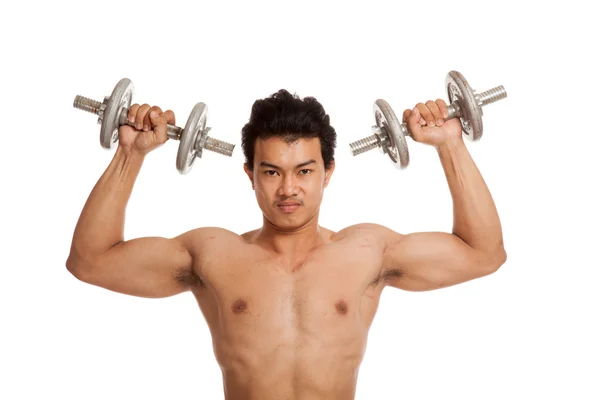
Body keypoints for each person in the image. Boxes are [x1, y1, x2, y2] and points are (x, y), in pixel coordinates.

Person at [66, 89, 507, 400]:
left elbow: (484, 254)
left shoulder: (367, 252)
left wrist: (450, 144)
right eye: (272, 171)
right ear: (250, 175)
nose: (288, 189)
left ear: (328, 172)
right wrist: (130, 154)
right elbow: (90, 262)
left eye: (305, 171)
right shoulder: (214, 254)